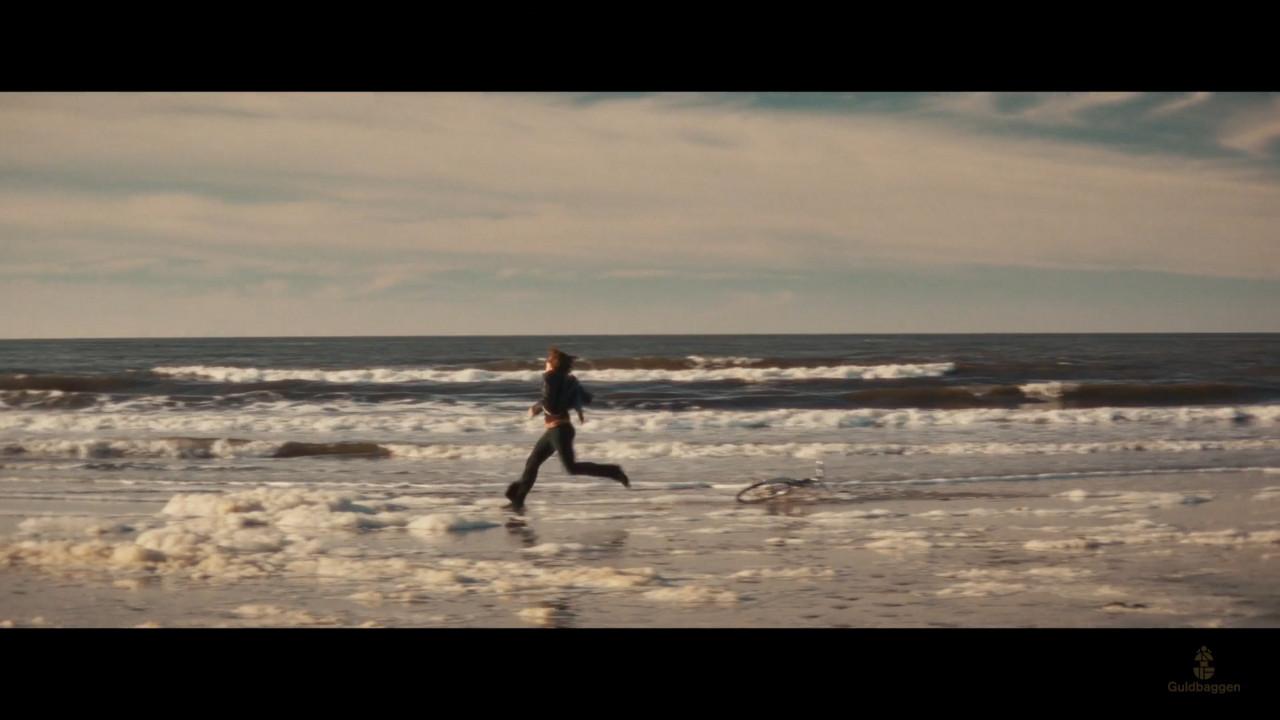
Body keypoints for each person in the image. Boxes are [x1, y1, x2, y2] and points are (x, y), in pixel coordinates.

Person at [505, 347, 629, 510]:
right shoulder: (566, 380)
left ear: (552, 364)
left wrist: (537, 408)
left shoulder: (550, 378)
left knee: (571, 468)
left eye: (547, 360)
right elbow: (585, 399)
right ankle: (518, 500)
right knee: (532, 463)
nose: (545, 363)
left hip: (559, 432)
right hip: (555, 430)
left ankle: (614, 471)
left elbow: (550, 405)